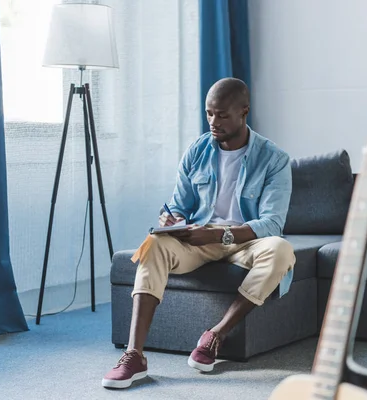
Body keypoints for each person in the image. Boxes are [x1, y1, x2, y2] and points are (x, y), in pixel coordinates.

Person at [102, 77, 296, 389]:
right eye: (209, 113)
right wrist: (174, 219)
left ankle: (215, 334)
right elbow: (179, 204)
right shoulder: (197, 150)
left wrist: (220, 236)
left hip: (246, 240)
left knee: (282, 250)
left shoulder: (274, 159)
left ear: (244, 112)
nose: (213, 122)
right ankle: (133, 355)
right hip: (199, 238)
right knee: (153, 243)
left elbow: (271, 224)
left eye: (221, 115)